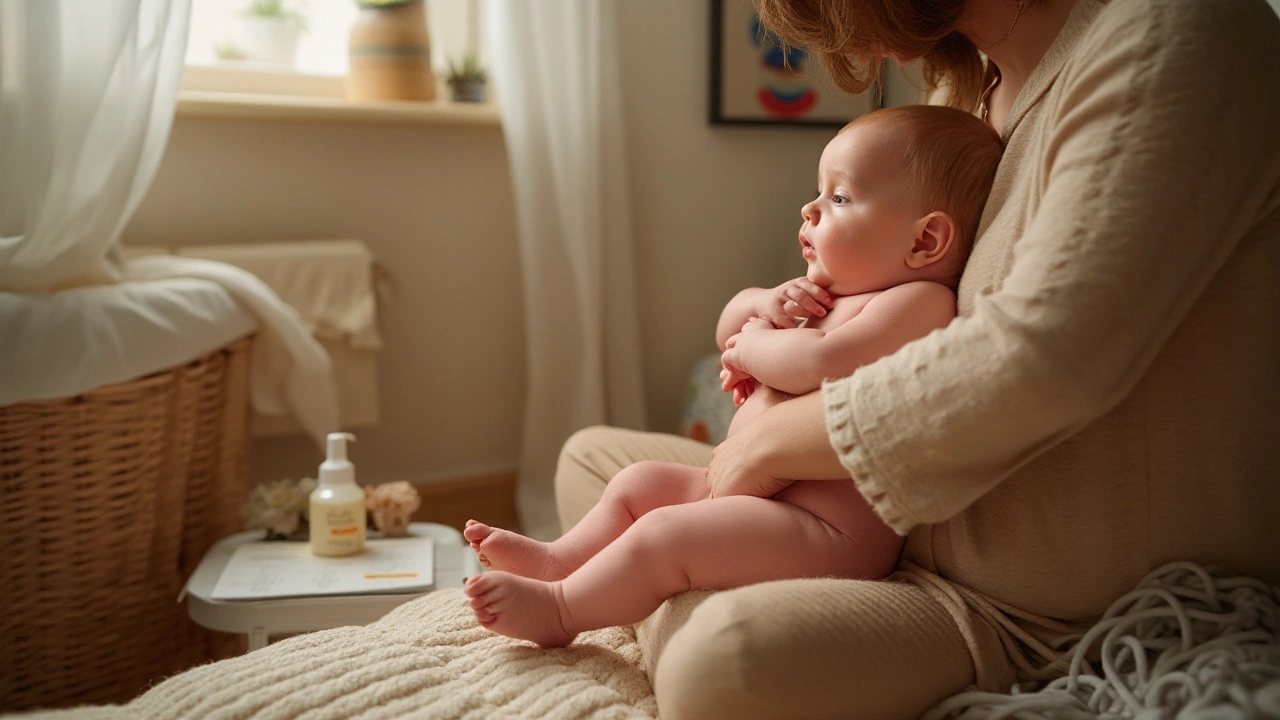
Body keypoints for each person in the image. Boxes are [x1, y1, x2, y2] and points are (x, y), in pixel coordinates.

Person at [552, 0, 1280, 718]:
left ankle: (652, 584)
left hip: (1026, 609)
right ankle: (658, 574)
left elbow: (1044, 361)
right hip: (880, 528)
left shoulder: (1172, 31)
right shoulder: (966, 93)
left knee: (725, 663)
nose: (860, 47)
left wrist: (773, 445)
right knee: (589, 460)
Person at [461, 104, 1005, 647]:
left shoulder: (919, 303)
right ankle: (560, 562)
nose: (810, 209)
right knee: (636, 484)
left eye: (839, 198)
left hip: (825, 535)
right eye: (819, 191)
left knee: (664, 534)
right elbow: (729, 329)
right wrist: (763, 304)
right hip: (751, 495)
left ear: (924, 241)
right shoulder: (828, 290)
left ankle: (561, 612)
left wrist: (756, 349)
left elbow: (821, 361)